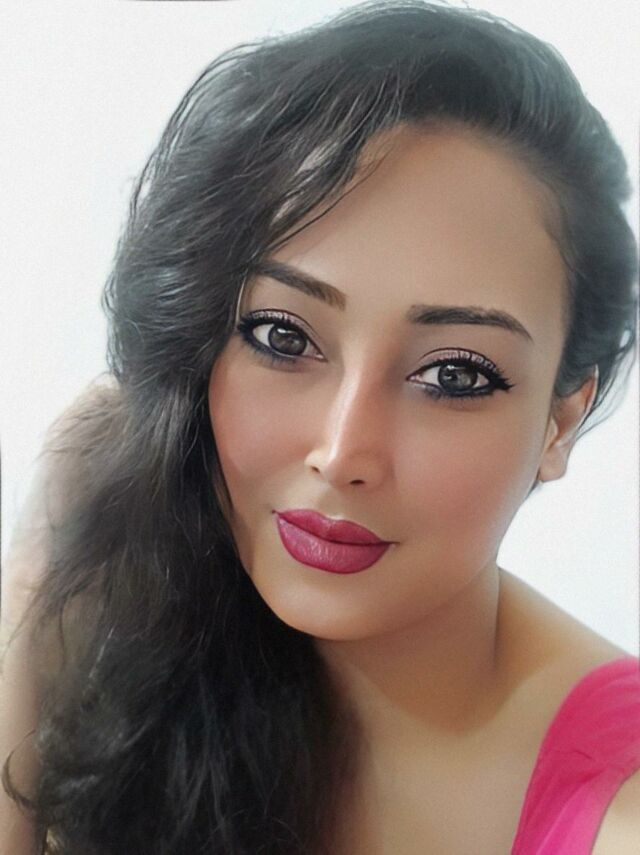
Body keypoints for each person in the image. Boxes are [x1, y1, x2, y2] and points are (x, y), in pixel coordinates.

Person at [1, 1, 638, 853]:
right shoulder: (147, 630)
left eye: (453, 375)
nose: (342, 453)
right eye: (282, 336)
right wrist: (38, 575)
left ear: (562, 420)